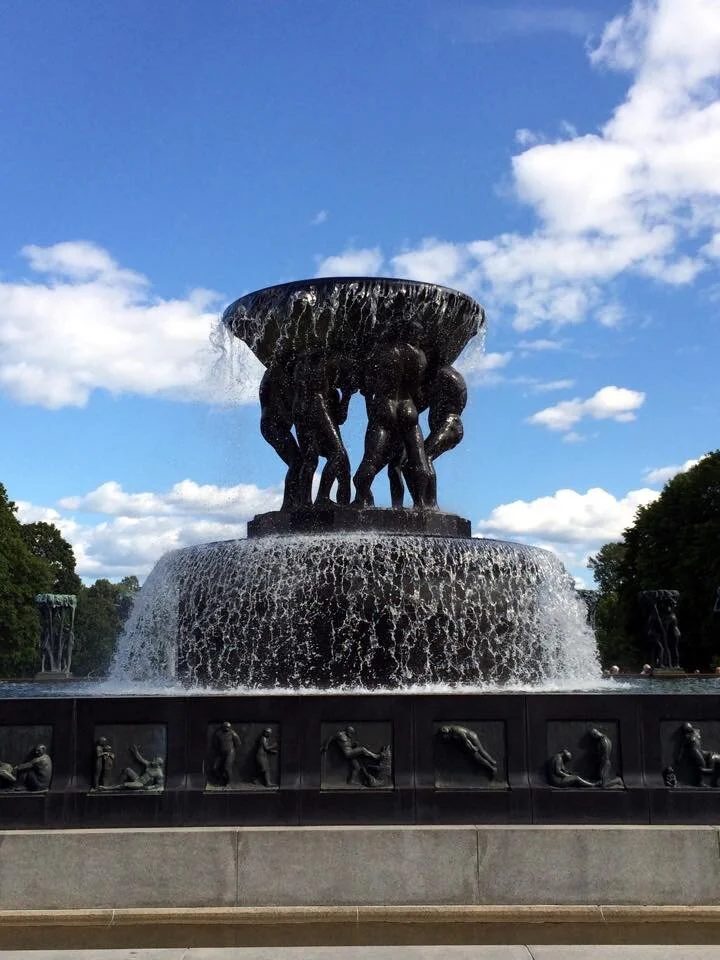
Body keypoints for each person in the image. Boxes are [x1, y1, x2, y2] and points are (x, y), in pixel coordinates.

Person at [353, 341, 432, 509]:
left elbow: (369, 384)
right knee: (418, 458)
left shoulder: (384, 350)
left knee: (371, 460)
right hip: (408, 407)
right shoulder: (420, 357)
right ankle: (421, 503)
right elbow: (418, 388)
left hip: (386, 405)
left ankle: (361, 500)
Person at [292, 350, 353, 507]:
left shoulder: (301, 363)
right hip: (317, 406)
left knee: (310, 458)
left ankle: (304, 503)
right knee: (339, 454)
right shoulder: (325, 358)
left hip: (299, 410)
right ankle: (323, 498)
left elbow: (340, 419)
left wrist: (346, 396)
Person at [212, 722, 242, 786]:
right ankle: (221, 780)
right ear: (223, 727)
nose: (227, 728)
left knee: (227, 768)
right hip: (221, 753)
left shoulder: (232, 733)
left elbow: (238, 743)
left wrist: (231, 750)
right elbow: (215, 744)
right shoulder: (218, 734)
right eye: (226, 727)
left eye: (228, 727)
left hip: (230, 753)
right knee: (215, 767)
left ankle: (229, 782)